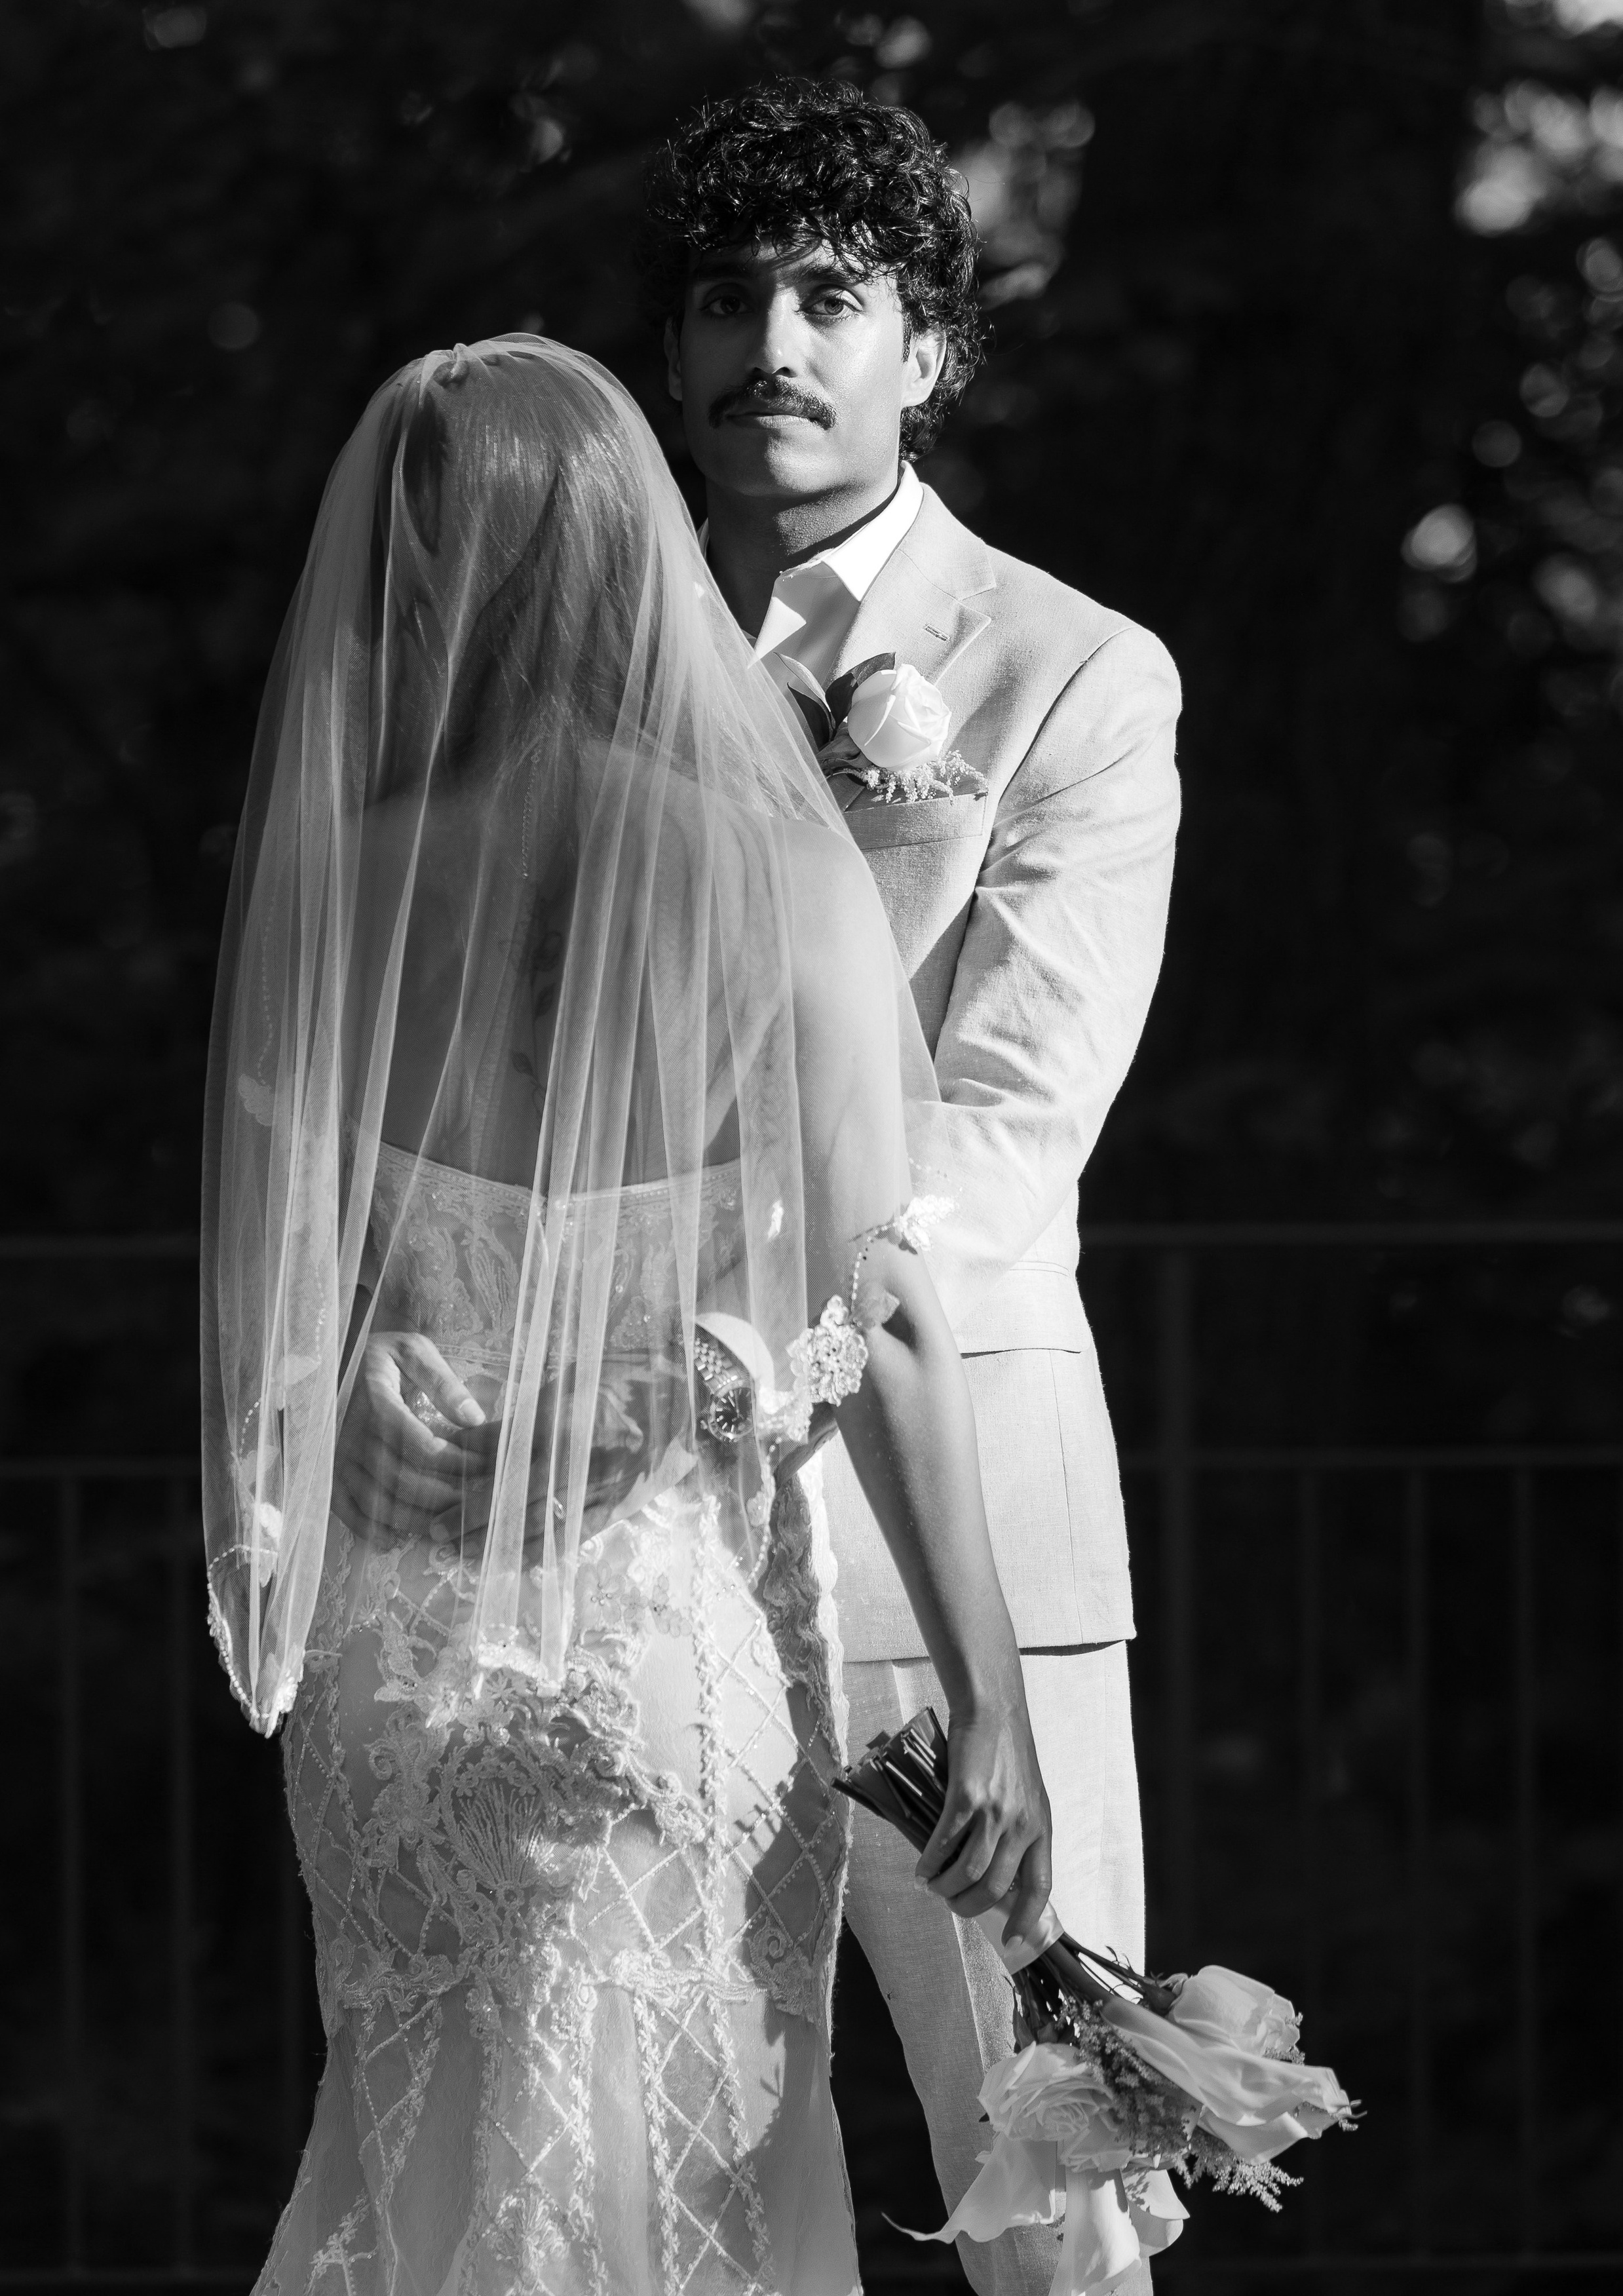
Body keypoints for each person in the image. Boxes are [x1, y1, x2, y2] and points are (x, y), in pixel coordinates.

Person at [200, 336, 1050, 2295]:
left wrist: (344, 1399)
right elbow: (887, 1310)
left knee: (409, 2165)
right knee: (686, 2206)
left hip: (396, 1663)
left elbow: (290, 1318)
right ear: (627, 551)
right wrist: (989, 1699)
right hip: (656, 1639)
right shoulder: (765, 858)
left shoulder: (336, 876)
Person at [640, 78, 1181, 2296]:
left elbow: (1005, 1140)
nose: (774, 339)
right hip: (625, 1535)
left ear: (926, 352)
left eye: (832, 298)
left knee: (1052, 2191)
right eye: (730, 296)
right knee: (658, 2176)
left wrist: (744, 1338)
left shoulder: (1071, 673)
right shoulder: (590, 652)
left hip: (948, 1538)